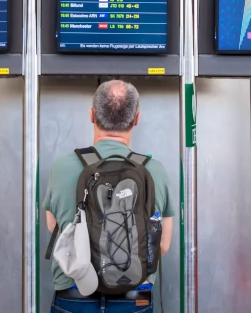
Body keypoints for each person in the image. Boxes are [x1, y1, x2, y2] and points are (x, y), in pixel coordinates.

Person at [43, 80, 175, 313]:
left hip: (74, 295)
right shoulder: (155, 170)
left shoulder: (61, 167)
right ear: (137, 118)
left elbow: (53, 226)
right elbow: (162, 245)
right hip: (135, 297)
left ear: (92, 115)